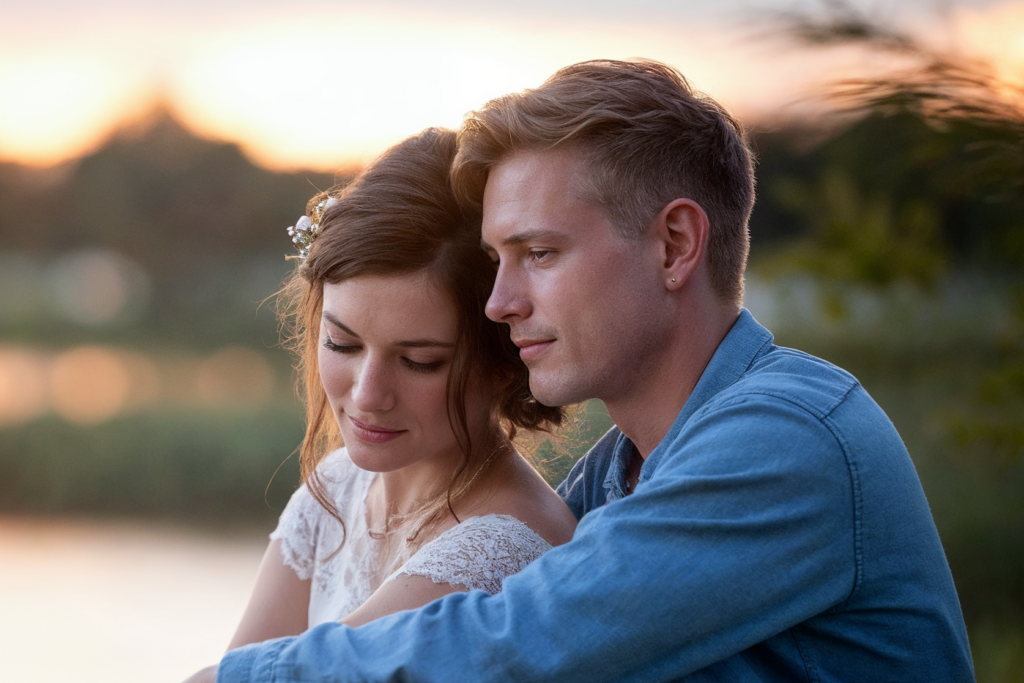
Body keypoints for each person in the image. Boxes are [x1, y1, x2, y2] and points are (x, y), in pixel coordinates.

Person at [210, 60, 974, 682]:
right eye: (499, 260)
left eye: (539, 254)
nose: (502, 303)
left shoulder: (787, 438)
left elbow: (512, 644)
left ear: (674, 245)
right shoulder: (613, 475)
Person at [185, 128, 576, 681]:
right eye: (342, 344)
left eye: (420, 361)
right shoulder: (336, 487)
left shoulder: (502, 548)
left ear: (503, 363)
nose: (367, 394)